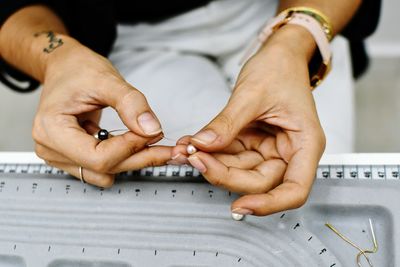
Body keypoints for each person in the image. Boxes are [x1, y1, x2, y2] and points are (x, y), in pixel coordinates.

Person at [0, 0, 380, 217]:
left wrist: (297, 39)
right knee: (178, 213)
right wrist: (55, 58)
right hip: (126, 31)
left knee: (316, 202)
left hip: (289, 8)